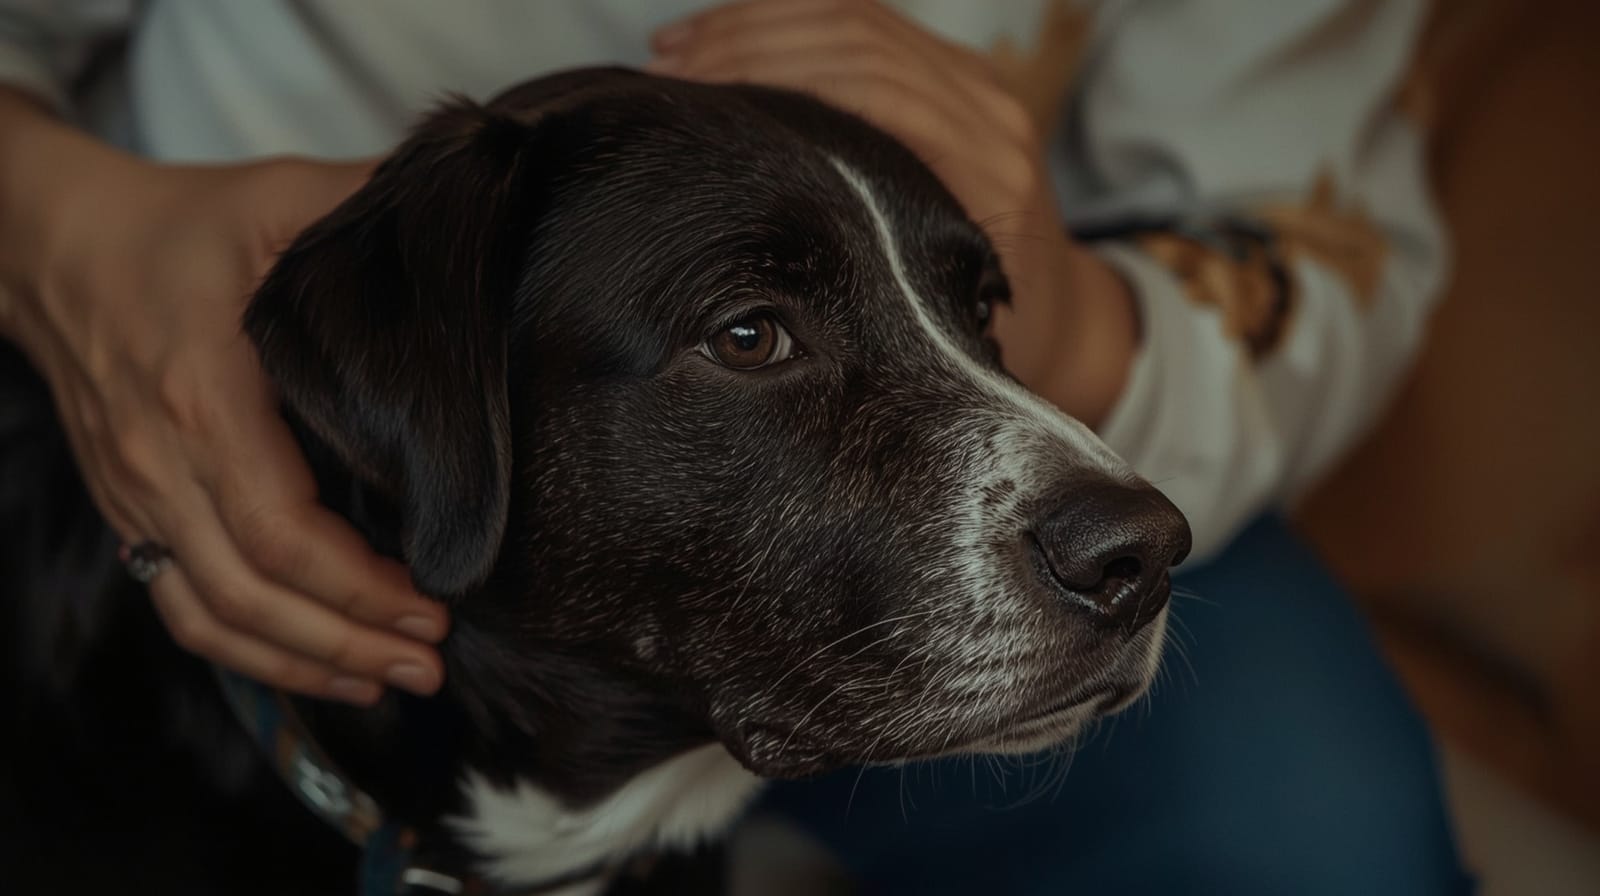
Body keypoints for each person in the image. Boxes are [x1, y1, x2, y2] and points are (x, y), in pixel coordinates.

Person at [0, 1, 1473, 892]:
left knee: (1316, 831)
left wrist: (1081, 317)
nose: (1119, 525)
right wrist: (59, 229)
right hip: (226, 374)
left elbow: (1312, 229)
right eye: (757, 333)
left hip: (1082, 396)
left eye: (978, 312)